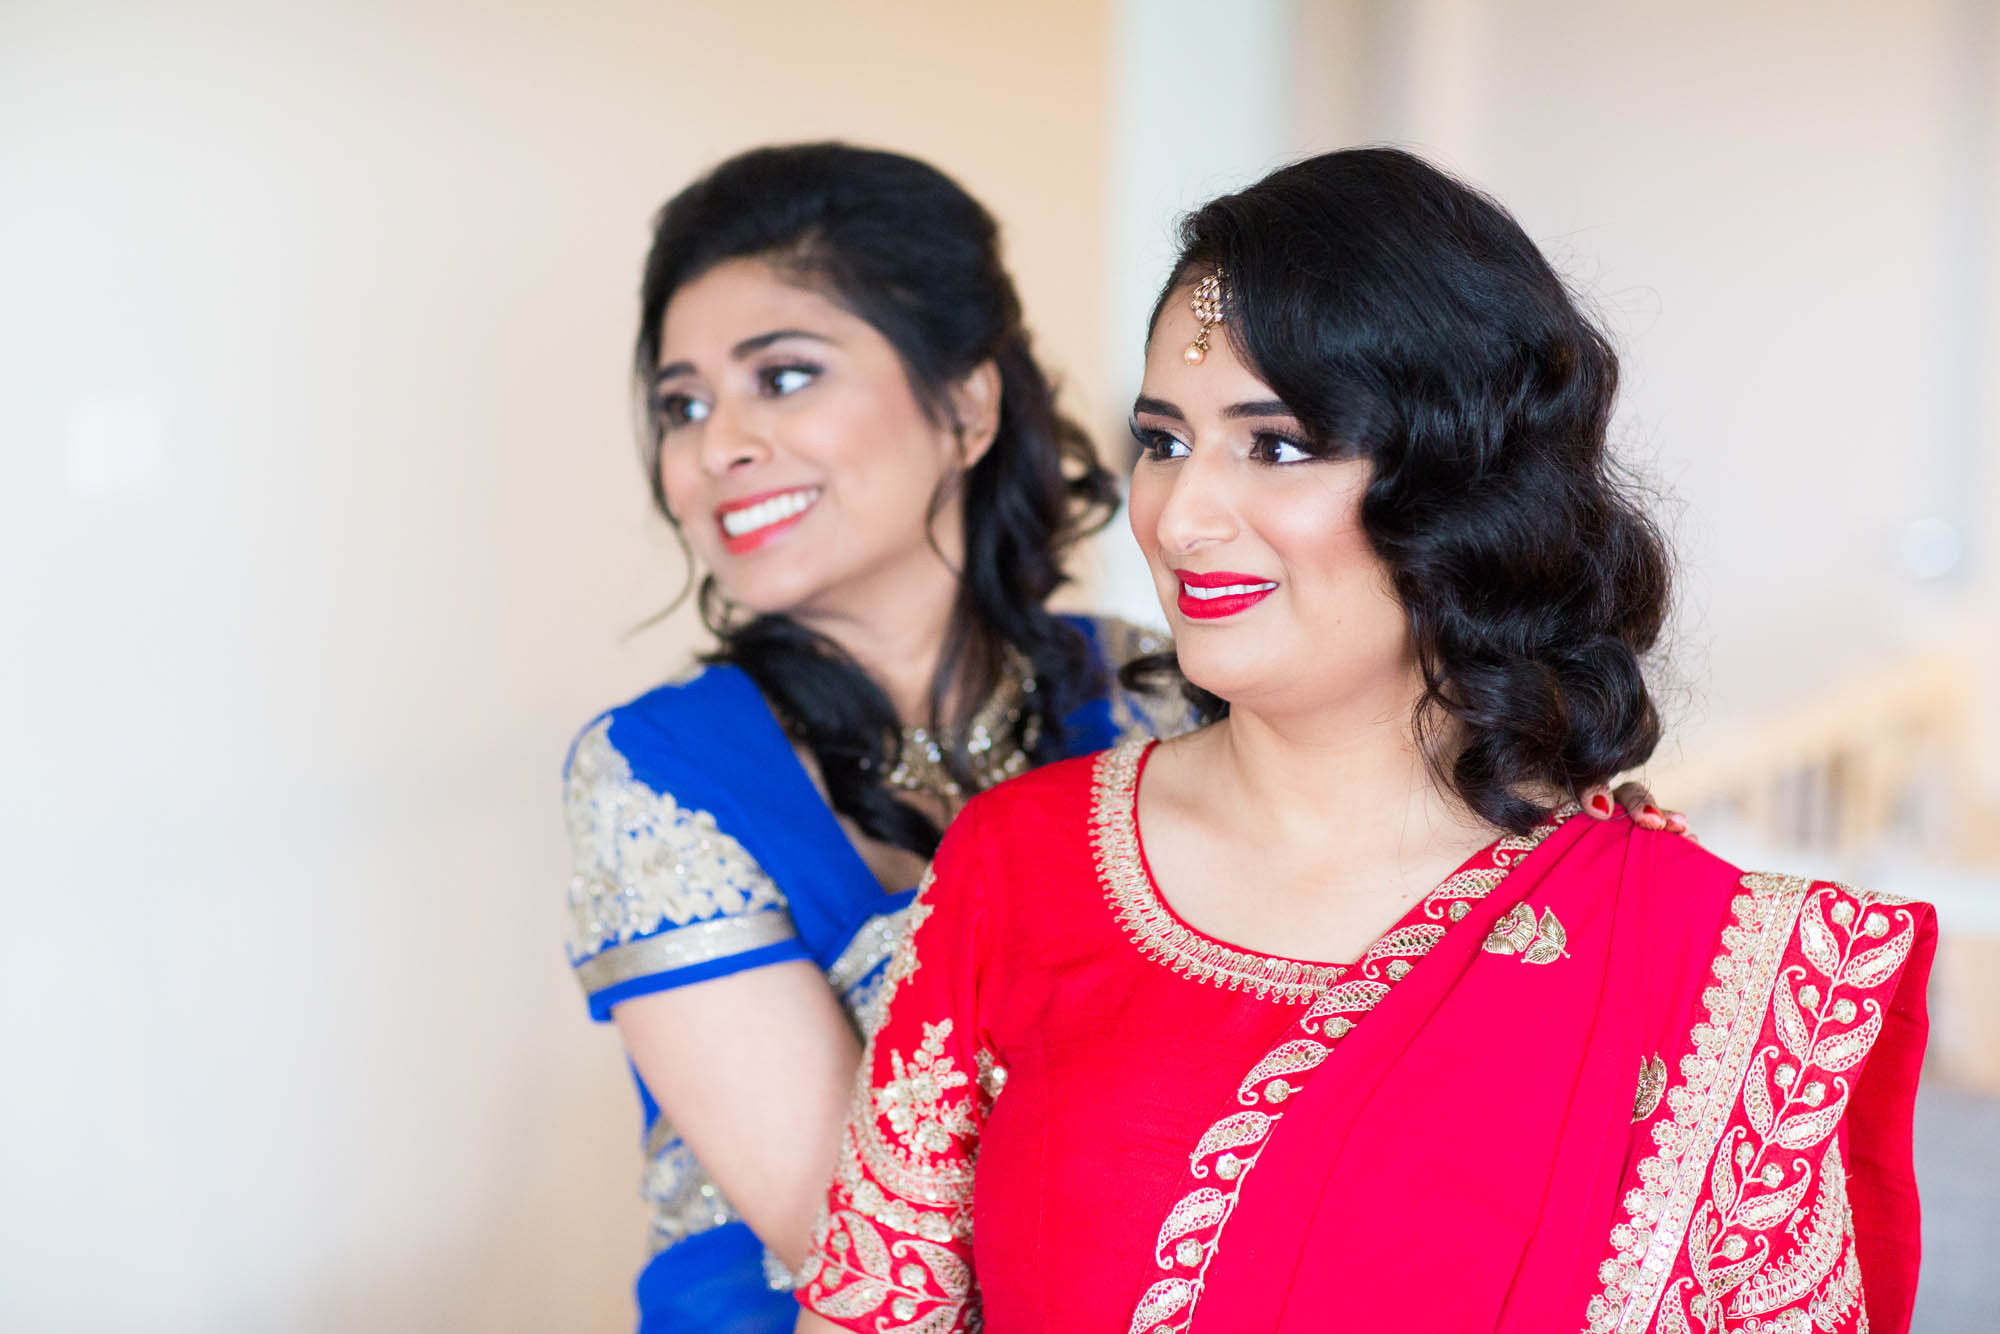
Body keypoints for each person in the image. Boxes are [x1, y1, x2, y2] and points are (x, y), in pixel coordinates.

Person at [795, 148, 1933, 1334]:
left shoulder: (1699, 968)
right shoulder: (1020, 865)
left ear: (1461, 485)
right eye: (1162, 440)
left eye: (1276, 444)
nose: (1179, 517)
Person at [559, 142, 1207, 1334]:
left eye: (782, 376)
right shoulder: (662, 770)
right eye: (681, 404)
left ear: (965, 405)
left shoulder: (1153, 696)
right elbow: (869, 1261)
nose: (716, 446)